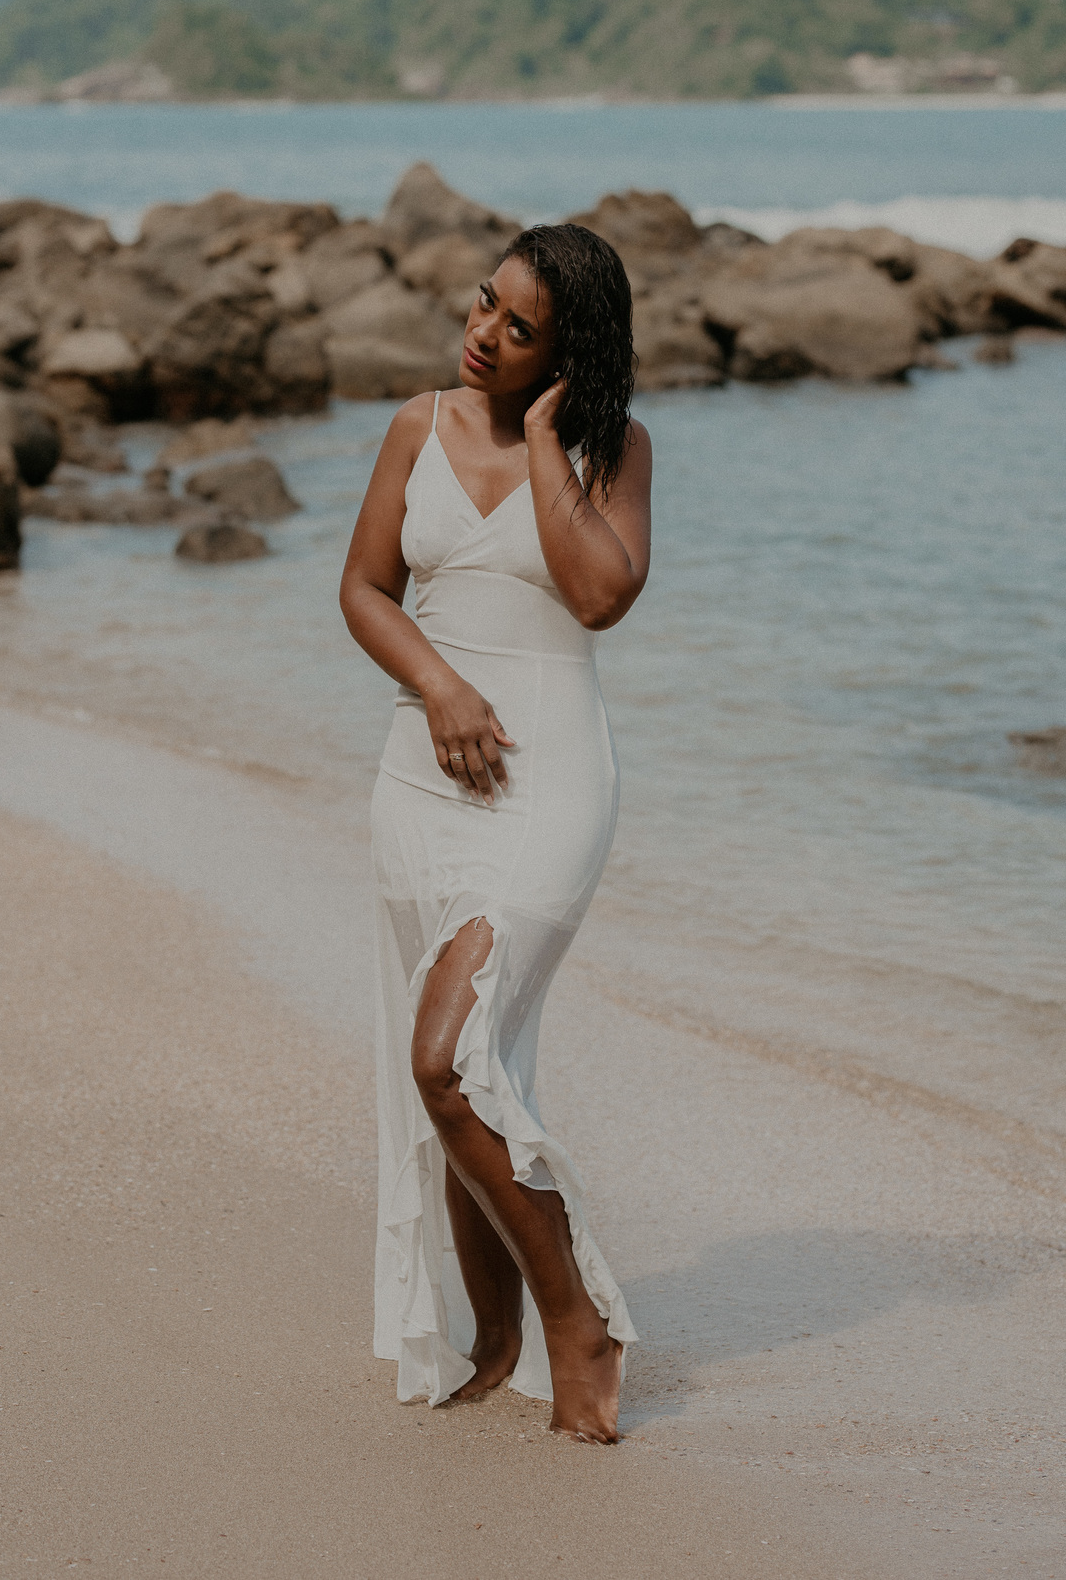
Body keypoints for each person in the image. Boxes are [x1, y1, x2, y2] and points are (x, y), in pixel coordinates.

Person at [339, 222, 652, 1443]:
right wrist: (444, 688)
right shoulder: (418, 423)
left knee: (446, 1055)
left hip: (552, 791)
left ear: (570, 351)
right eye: (484, 307)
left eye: (520, 330)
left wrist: (540, 444)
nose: (482, 336)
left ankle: (576, 1319)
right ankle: (499, 1333)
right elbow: (364, 587)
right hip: (419, 786)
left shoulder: (608, 447)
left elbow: (600, 596)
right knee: (468, 1072)